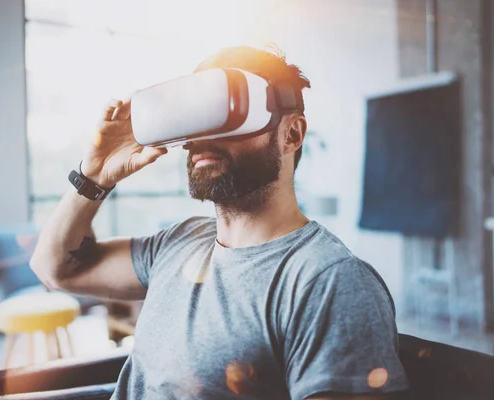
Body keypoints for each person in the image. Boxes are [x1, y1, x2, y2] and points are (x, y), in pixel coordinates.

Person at [30, 46, 410, 400]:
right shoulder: (180, 242)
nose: (203, 137)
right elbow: (55, 270)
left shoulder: (328, 281)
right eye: (197, 118)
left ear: (291, 134)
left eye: (228, 114)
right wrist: (93, 176)